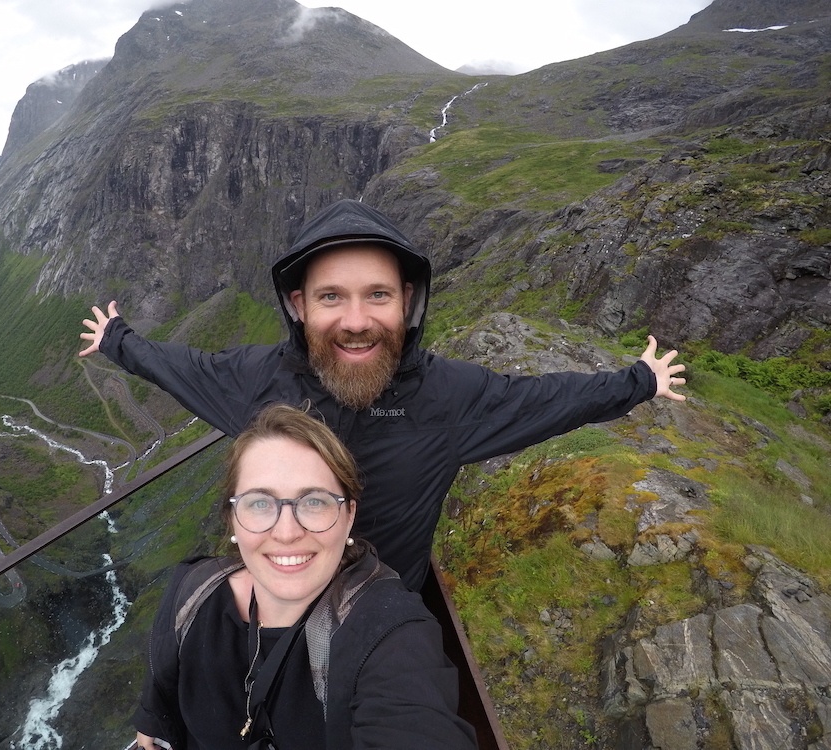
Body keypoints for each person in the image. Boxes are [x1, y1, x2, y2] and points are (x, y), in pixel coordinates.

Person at [81, 199, 686, 590]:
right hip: (275, 600)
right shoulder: (253, 380)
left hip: (384, 620)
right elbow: (178, 366)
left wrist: (639, 381)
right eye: (329, 297)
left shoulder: (450, 398)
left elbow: (549, 400)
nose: (355, 320)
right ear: (298, 306)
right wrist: (117, 339)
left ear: (408, 304)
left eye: (377, 295)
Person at [132, 403, 477, 750]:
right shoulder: (191, 590)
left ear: (348, 516)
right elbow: (157, 706)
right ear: (232, 519)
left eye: (313, 502)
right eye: (259, 503)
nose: (286, 532)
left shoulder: (388, 633)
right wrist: (152, 723)